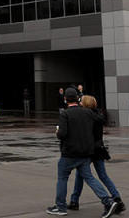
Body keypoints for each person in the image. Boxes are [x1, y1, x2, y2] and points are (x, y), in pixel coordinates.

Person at [46, 87, 116, 217]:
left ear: (65, 99)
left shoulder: (65, 114)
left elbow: (62, 134)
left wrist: (57, 132)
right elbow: (100, 120)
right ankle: (108, 201)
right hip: (85, 153)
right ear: (78, 99)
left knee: (62, 178)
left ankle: (60, 207)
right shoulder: (87, 112)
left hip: (70, 153)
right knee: (90, 178)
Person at [69, 95, 125, 214]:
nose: (80, 104)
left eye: (82, 102)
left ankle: (74, 201)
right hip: (99, 148)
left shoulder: (86, 117)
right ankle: (117, 199)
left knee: (81, 174)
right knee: (103, 175)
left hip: (88, 150)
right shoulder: (98, 116)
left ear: (86, 105)